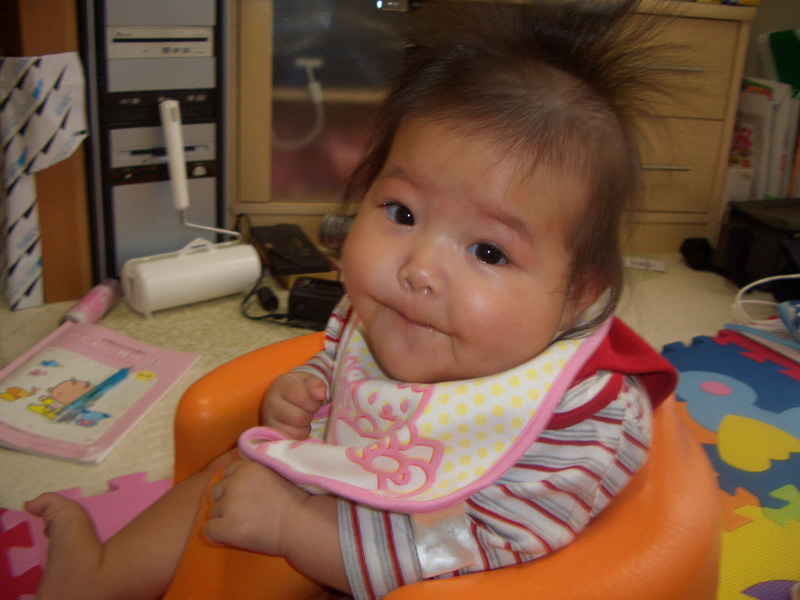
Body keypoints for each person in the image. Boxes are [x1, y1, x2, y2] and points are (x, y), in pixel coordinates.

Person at [26, 2, 678, 599]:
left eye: (488, 251)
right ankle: (102, 573)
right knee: (236, 470)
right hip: (350, 489)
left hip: (427, 562)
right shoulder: (390, 316)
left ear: (577, 294)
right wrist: (307, 389)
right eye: (402, 212)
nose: (419, 270)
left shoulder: (577, 416)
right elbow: (346, 365)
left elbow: (486, 549)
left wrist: (299, 529)